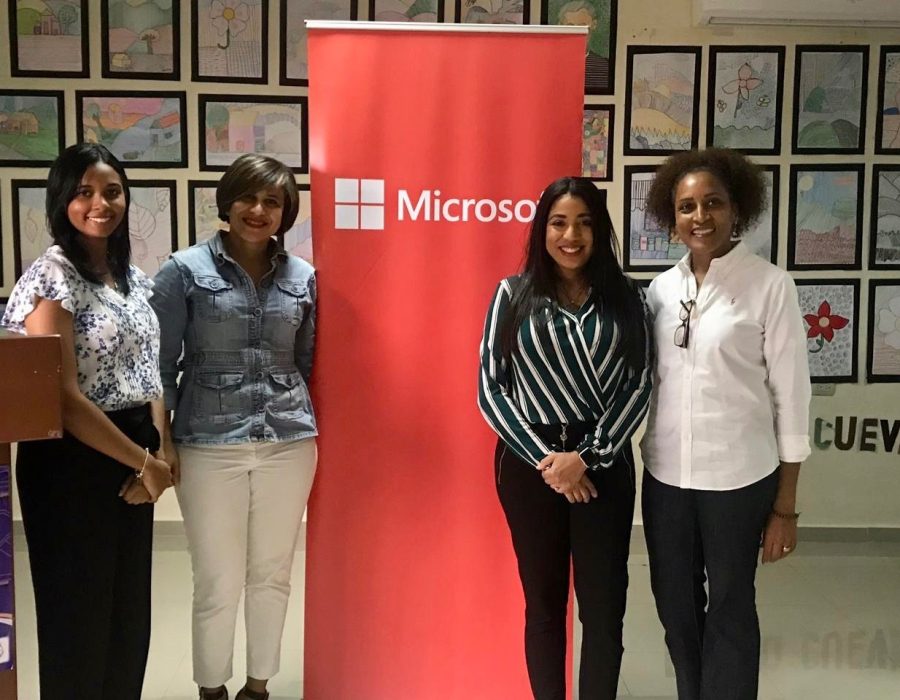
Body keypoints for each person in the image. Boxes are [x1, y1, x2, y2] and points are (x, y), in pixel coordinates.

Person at [2, 143, 173, 699]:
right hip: (73, 465)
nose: (101, 203)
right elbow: (65, 397)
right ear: (62, 201)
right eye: (84, 192)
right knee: (78, 618)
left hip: (137, 454)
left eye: (112, 190)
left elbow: (150, 370)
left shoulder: (130, 278)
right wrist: (146, 462)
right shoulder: (51, 278)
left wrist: (162, 457)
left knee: (127, 616)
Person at [640, 148, 811, 700]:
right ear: (673, 217)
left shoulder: (770, 286)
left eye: (712, 203)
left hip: (740, 481)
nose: (700, 217)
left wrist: (784, 507)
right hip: (667, 478)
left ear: (737, 208)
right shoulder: (661, 290)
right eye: (686, 206)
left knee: (732, 608)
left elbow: (792, 398)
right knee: (675, 606)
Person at [150, 154, 317, 700]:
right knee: (217, 580)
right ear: (227, 202)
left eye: (272, 201)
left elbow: (311, 361)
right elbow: (158, 366)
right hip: (207, 444)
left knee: (271, 574)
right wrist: (163, 441)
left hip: (288, 441)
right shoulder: (183, 270)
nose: (258, 210)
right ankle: (211, 688)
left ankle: (258, 686)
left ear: (286, 211)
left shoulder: (304, 277)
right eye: (248, 197)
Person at [478, 177, 652, 700]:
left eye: (584, 222)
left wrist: (589, 457)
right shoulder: (511, 295)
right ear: (542, 230)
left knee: (604, 608)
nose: (571, 235)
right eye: (559, 222)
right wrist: (550, 463)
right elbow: (490, 388)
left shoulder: (629, 299)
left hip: (604, 465)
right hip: (530, 466)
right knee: (544, 604)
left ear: (599, 230)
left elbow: (639, 382)